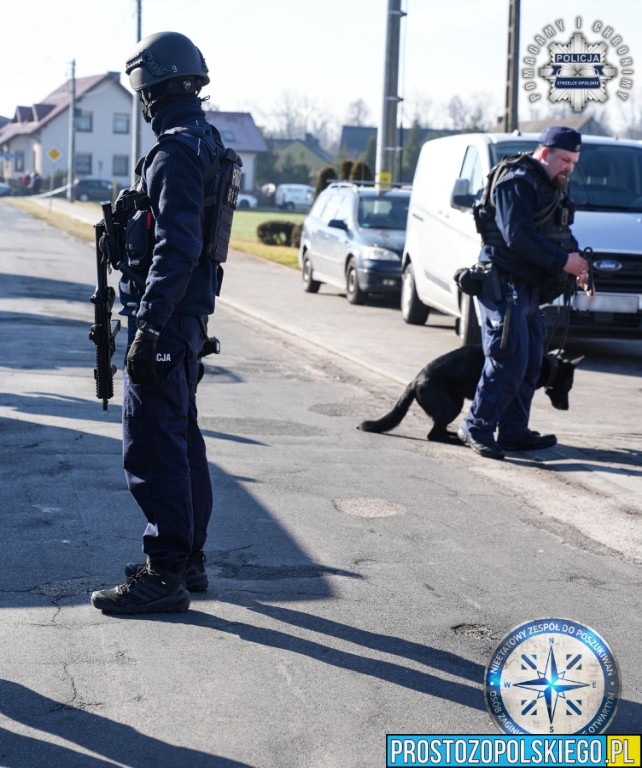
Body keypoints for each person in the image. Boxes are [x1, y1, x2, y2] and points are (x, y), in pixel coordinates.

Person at [91, 32, 222, 613]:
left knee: (152, 446)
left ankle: (164, 573)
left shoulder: (174, 153)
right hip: (185, 318)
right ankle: (186, 559)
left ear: (153, 91)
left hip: (166, 320)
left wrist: (147, 328)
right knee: (182, 439)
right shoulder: (206, 141)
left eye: (142, 94)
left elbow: (177, 247)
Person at [457, 125, 592, 461]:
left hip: (530, 288)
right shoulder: (516, 182)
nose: (569, 168)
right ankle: (476, 427)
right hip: (503, 284)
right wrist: (564, 261)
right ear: (545, 153)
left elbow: (560, 233)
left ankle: (514, 431)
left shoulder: (552, 185)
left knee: (531, 361)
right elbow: (517, 237)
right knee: (508, 359)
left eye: (574, 162)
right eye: (565, 160)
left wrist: (579, 267)